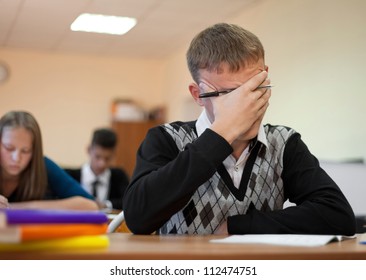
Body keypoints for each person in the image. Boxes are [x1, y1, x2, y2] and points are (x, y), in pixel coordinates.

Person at [122, 23, 356, 235]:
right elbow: (138, 218)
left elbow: (338, 216)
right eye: (228, 95)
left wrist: (240, 226)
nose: (248, 106)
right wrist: (221, 134)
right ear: (199, 95)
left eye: (255, 89)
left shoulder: (284, 143)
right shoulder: (166, 139)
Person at [0, 111, 98, 210]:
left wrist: (16, 207)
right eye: (9, 148)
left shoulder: (43, 166)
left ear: (35, 151)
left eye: (26, 151)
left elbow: (91, 205)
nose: (16, 158)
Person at [65, 128, 129, 210]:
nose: (102, 164)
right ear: (88, 150)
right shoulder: (70, 175)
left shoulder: (119, 176)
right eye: (97, 157)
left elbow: (129, 201)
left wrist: (105, 205)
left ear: (114, 154)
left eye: (107, 158)